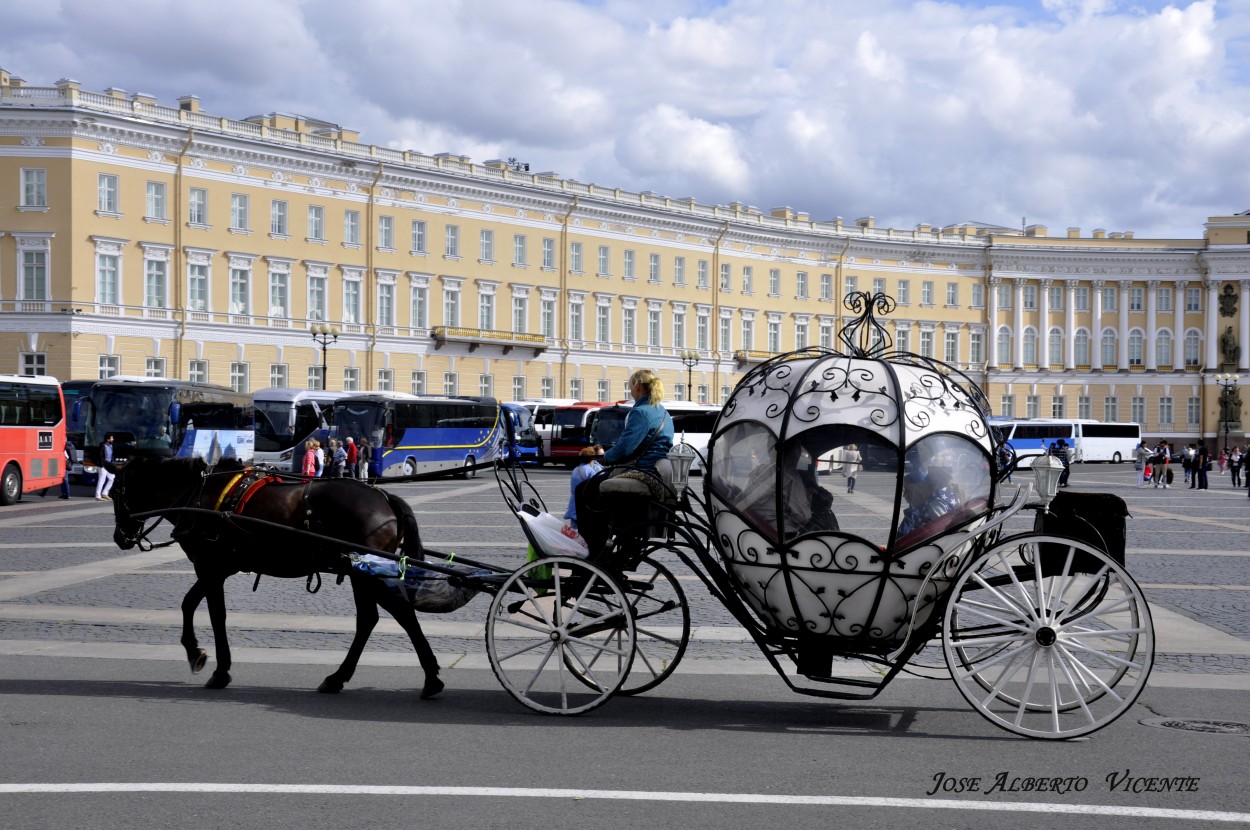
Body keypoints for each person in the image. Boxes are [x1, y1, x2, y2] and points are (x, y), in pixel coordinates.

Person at [601, 369, 673, 471]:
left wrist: (605, 457)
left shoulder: (640, 412)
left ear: (637, 387)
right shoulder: (664, 412)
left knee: (585, 485)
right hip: (660, 467)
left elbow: (625, 448)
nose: (631, 392)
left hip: (644, 468)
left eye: (631, 388)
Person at [896, 470, 963, 538]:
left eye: (909, 490)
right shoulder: (915, 511)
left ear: (920, 489)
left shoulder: (934, 505)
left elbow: (944, 533)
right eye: (904, 490)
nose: (904, 495)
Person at [563, 446, 603, 530]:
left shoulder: (576, 469)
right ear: (591, 459)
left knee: (574, 529)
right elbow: (594, 487)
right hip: (584, 503)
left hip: (573, 502)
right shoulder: (590, 470)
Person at [95, 433, 116, 501]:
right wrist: (103, 464)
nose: (113, 439)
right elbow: (100, 456)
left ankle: (104, 493)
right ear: (108, 439)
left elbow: (111, 455)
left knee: (112, 478)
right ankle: (98, 496)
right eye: (111, 438)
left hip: (109, 465)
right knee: (101, 480)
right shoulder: (103, 445)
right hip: (103, 466)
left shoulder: (111, 445)